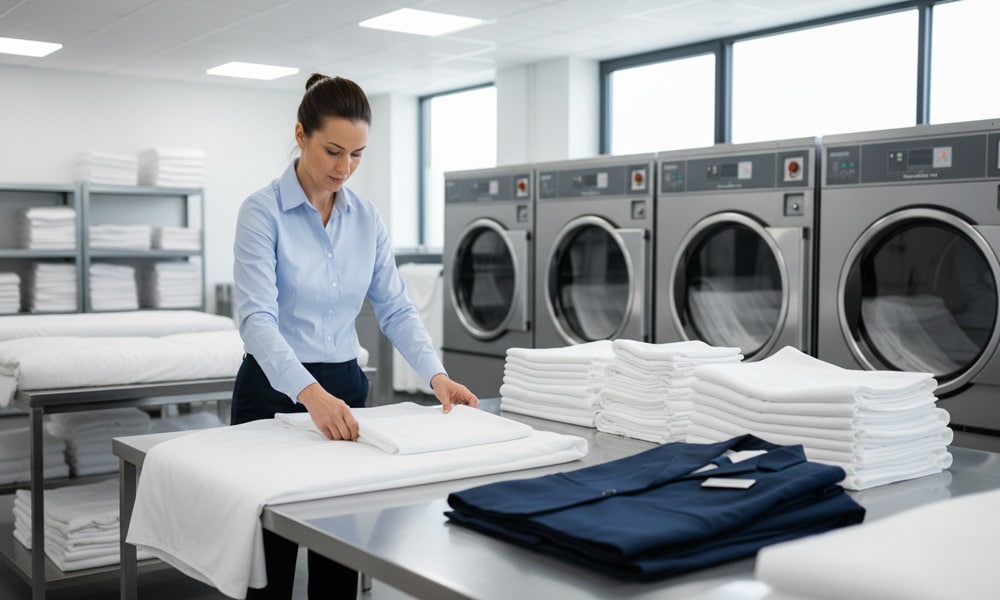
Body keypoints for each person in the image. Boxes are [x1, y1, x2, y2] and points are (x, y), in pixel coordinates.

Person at [231, 73, 479, 600]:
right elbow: (256, 319)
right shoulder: (262, 211)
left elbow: (394, 307)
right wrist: (310, 395)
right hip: (275, 389)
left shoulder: (366, 218)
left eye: (359, 155)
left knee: (337, 555)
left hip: (345, 388)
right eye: (334, 151)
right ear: (301, 135)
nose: (345, 168)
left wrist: (435, 376)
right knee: (269, 564)